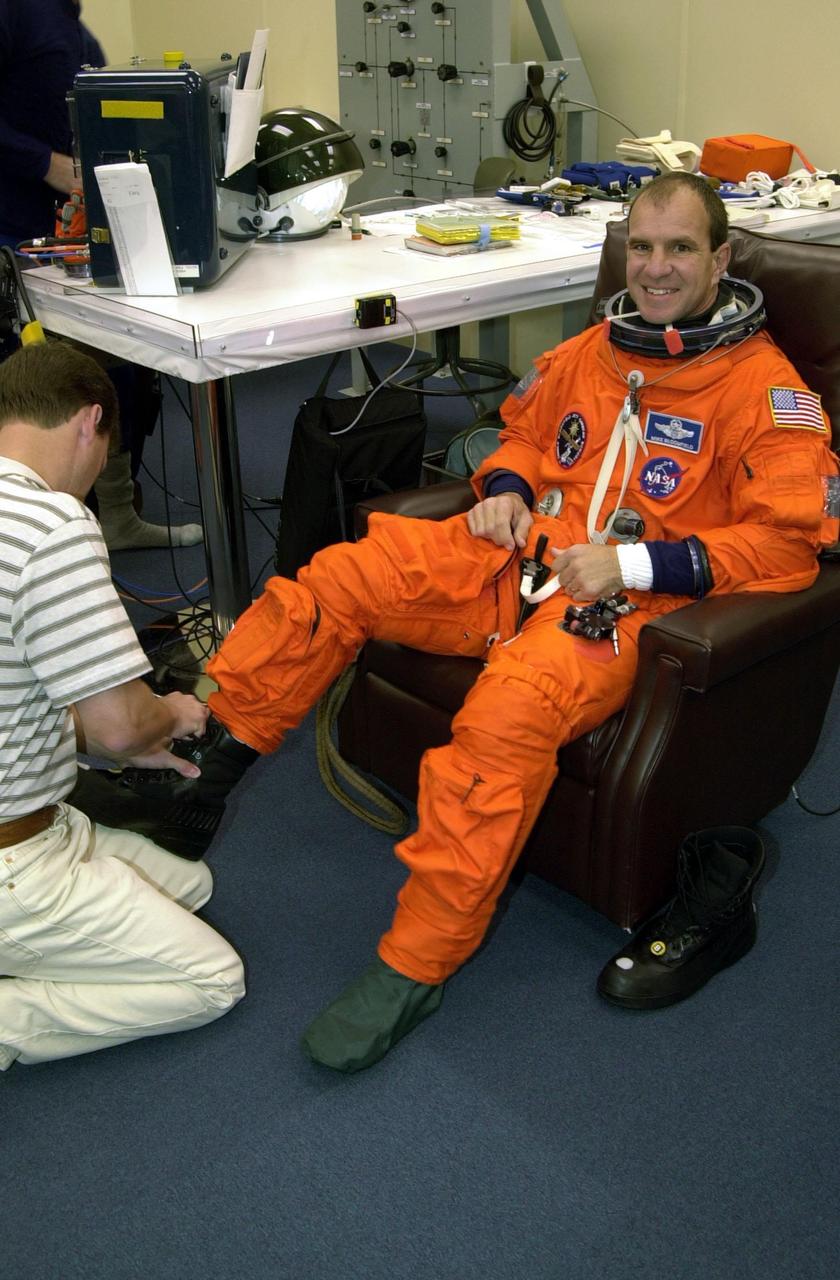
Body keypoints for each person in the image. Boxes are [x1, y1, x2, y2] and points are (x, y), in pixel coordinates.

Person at [109, 172, 838, 1073]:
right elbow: (521, 432)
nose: (655, 268)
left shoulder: (766, 393)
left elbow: (789, 546)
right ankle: (203, 774)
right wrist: (506, 489)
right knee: (337, 579)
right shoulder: (591, 352)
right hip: (515, 556)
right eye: (642, 247)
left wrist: (633, 564)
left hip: (625, 605)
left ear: (720, 259)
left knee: (503, 720)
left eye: (680, 249)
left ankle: (415, 965)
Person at [0, 341, 244, 1070]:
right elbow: (121, 729)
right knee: (212, 981)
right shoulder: (52, 525)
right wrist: (168, 716)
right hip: (14, 858)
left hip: (40, 820)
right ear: (90, 422)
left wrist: (113, 733)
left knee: (192, 887)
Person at [0, 0, 202, 551]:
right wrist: (45, 163)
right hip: (14, 236)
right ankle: (33, 540)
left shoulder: (67, 21)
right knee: (38, 389)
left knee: (116, 373)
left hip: (71, 233)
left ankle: (116, 517)